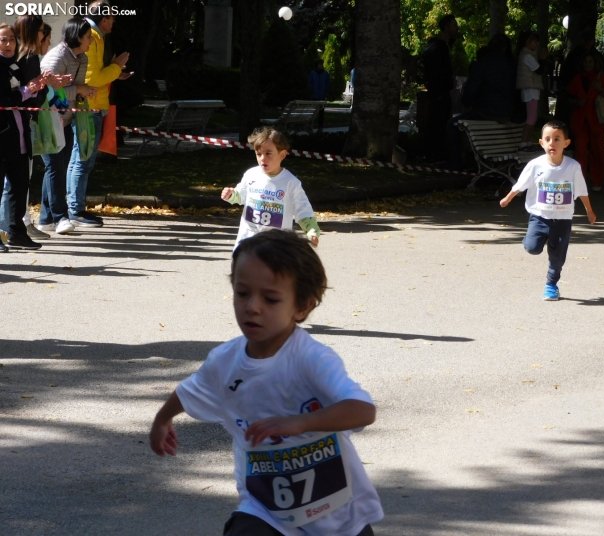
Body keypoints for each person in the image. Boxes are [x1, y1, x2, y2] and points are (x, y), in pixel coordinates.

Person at [150, 229, 383, 536]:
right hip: (265, 508)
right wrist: (162, 419)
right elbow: (190, 390)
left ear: (302, 307)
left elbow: (363, 410)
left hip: (338, 514)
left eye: (271, 298)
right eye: (242, 293)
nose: (252, 307)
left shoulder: (311, 359)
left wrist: (300, 423)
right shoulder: (224, 361)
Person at [499, 120, 596, 300]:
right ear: (542, 143)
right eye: (548, 139)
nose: (552, 143)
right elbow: (521, 184)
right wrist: (508, 198)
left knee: (557, 257)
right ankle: (531, 238)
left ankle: (551, 285)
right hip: (539, 216)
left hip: (563, 219)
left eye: (557, 139)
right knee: (532, 248)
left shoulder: (572, 166)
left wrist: (589, 211)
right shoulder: (536, 165)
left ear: (566, 143)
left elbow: (582, 191)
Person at [65, 0, 129, 228]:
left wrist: (113, 73)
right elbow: (91, 79)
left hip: (90, 104)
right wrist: (115, 69)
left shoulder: (94, 35)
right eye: (112, 18)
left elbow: (93, 74)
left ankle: (74, 209)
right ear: (104, 19)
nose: (113, 21)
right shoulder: (92, 34)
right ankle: (75, 211)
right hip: (89, 106)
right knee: (82, 159)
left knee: (80, 158)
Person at [37, 17, 97, 235]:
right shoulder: (56, 58)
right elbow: (49, 93)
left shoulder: (82, 57)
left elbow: (73, 88)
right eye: (89, 37)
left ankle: (45, 219)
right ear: (78, 37)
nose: (91, 41)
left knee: (56, 168)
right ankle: (61, 217)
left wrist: (83, 92)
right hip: (50, 120)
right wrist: (79, 90)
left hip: (67, 119)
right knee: (55, 167)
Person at [0, 15, 54, 242]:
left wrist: (35, 89)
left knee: (19, 186)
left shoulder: (17, 64)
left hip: (20, 134)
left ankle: (16, 232)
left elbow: (31, 98)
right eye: (3, 40)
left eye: (12, 39)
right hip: (3, 135)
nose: (9, 44)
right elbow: (5, 97)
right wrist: (26, 91)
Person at [221, 127, 320, 249]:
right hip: (248, 241)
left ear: (282, 154)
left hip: (276, 245)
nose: (263, 158)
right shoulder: (251, 174)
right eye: (259, 154)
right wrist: (231, 195)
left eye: (268, 153)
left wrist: (311, 230)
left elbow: (303, 208)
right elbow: (241, 195)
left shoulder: (291, 182)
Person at [448, 33, 515, 170]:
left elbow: (470, 92)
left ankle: (456, 165)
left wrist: (467, 103)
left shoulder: (482, 64)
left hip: (486, 113)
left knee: (452, 124)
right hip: (508, 113)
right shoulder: (512, 65)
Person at [566, 52, 604, 191]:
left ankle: (597, 181)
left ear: (595, 63)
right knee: (580, 151)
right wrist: (577, 101)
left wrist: (600, 89)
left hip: (598, 120)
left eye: (591, 61)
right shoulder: (577, 79)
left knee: (598, 151)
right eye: (586, 61)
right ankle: (579, 181)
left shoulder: (602, 77)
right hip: (581, 120)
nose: (588, 64)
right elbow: (568, 97)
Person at [422, 14, 458, 160]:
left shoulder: (435, 45)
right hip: (440, 93)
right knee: (438, 125)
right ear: (446, 27)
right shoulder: (440, 47)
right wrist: (440, 91)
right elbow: (438, 71)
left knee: (436, 124)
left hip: (438, 92)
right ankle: (435, 155)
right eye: (454, 25)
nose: (456, 28)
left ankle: (432, 154)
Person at [515, 31, 548, 152]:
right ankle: (524, 142)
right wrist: (543, 59)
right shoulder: (527, 55)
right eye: (535, 42)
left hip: (531, 87)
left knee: (532, 116)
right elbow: (538, 70)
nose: (536, 44)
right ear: (528, 42)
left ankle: (527, 142)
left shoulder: (527, 54)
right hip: (530, 88)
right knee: (531, 116)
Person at [308, 58, 329, 131]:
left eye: (321, 64)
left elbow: (328, 83)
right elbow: (310, 83)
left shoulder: (325, 74)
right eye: (319, 64)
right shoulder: (312, 73)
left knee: (321, 112)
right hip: (315, 96)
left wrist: (325, 90)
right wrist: (313, 90)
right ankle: (311, 124)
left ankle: (320, 126)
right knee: (313, 112)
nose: (321, 66)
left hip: (322, 96)